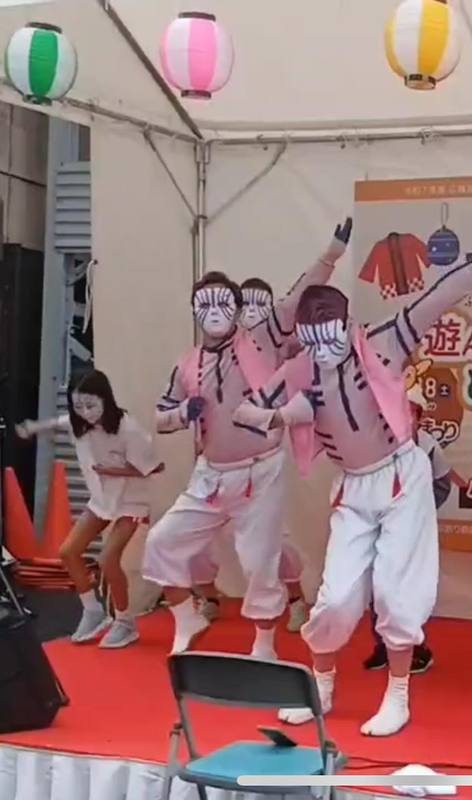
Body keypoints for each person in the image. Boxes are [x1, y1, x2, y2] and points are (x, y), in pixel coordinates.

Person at [234, 227, 472, 736]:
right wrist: (273, 415)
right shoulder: (302, 367)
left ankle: (398, 695)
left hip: (400, 477)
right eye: (311, 339)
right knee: (334, 597)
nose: (322, 349)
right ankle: (321, 687)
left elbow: (437, 298)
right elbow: (256, 406)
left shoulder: (383, 343)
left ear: (347, 323)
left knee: (396, 593)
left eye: (329, 335)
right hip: (352, 487)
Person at [142, 220, 351, 657]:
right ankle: (187, 617)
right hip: (209, 476)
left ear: (238, 309)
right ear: (194, 309)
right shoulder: (187, 363)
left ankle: (264, 644)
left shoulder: (261, 337)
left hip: (261, 472)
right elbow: (160, 417)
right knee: (162, 542)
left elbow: (296, 298)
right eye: (205, 303)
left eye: (223, 302)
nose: (214, 311)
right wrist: (181, 413)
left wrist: (330, 254)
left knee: (260, 561)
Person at [185, 275, 311, 633]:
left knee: (272, 540)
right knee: (193, 536)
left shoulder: (281, 346)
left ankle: (296, 599)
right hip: (213, 462)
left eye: (262, 305)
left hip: (260, 461)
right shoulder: (218, 348)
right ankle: (208, 597)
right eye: (248, 304)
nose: (254, 311)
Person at [17, 370, 163, 649]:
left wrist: (114, 470)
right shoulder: (78, 424)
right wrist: (33, 427)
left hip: (131, 503)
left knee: (108, 559)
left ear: (105, 399)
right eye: (78, 406)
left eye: (91, 405)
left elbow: (156, 467)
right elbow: (58, 422)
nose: (85, 412)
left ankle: (125, 622)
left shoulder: (128, 429)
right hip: (101, 501)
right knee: (68, 551)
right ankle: (92, 610)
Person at [362, 384, 451, 674]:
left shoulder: (428, 445)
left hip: (414, 530)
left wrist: (419, 510)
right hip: (380, 525)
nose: (405, 417)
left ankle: (417, 649)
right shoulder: (375, 444)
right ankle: (382, 645)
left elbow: (443, 484)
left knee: (409, 588)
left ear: (420, 416)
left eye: (412, 412)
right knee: (379, 585)